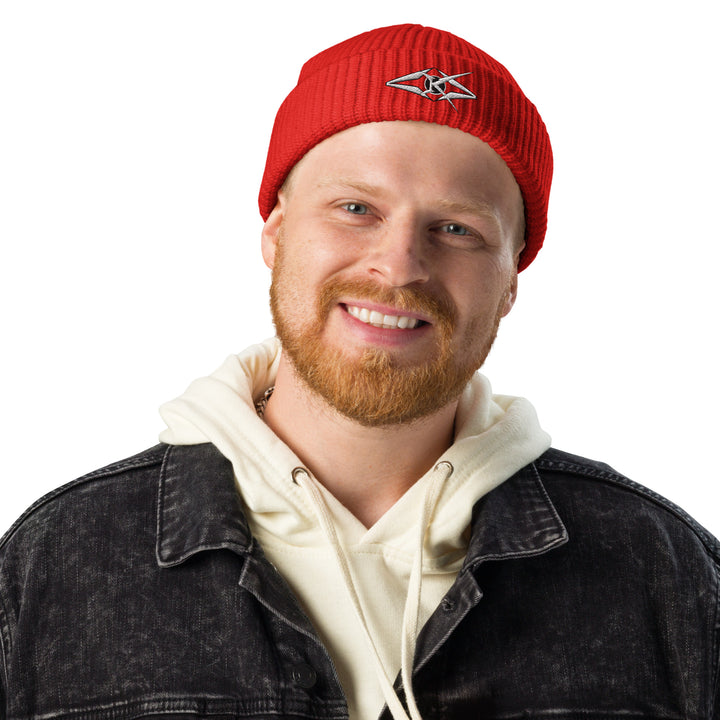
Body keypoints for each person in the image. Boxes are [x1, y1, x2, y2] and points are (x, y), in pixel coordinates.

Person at [0, 22, 717, 720]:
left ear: (510, 282)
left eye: (457, 229)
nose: (399, 266)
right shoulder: (56, 563)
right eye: (355, 209)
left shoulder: (668, 576)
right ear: (276, 234)